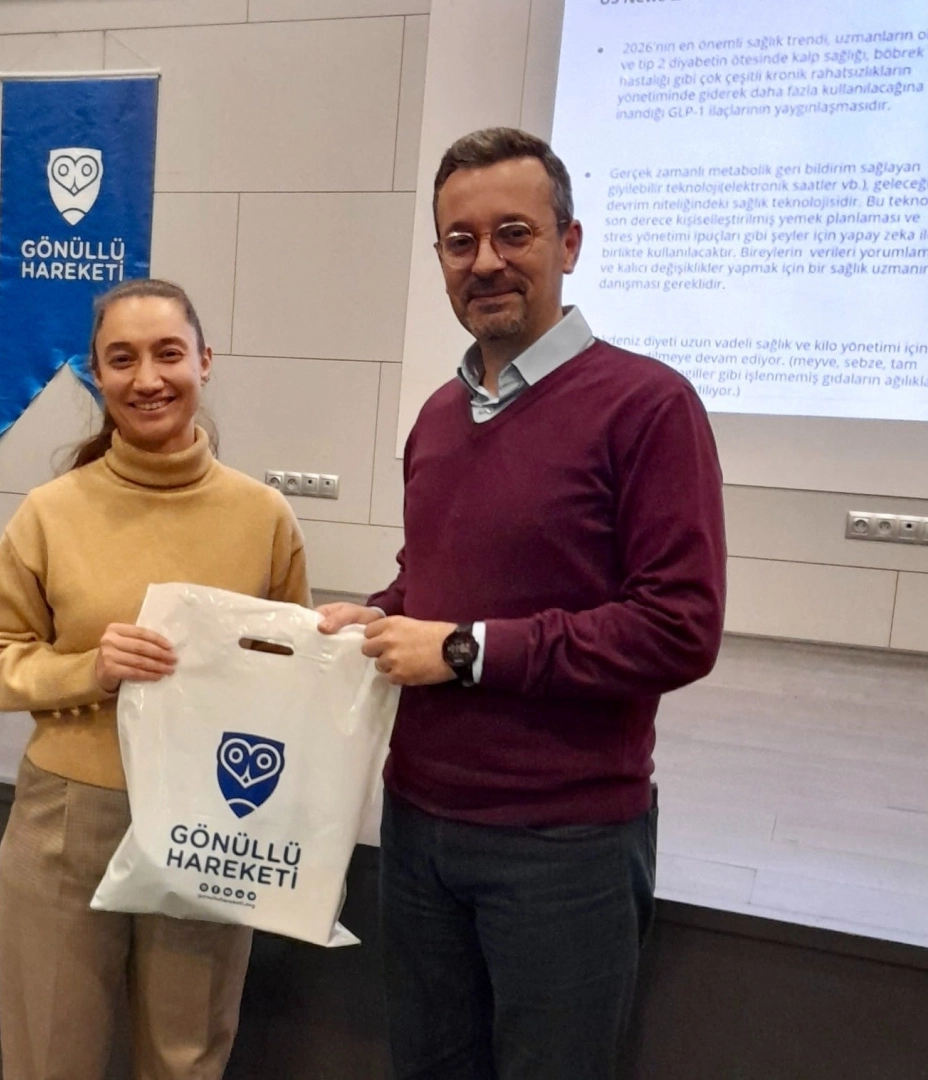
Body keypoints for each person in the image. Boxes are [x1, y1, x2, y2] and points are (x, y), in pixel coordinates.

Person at [317, 127, 726, 1079]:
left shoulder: (649, 406)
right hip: (418, 826)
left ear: (568, 243)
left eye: (514, 233)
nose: (486, 261)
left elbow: (679, 628)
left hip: (564, 847)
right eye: (460, 241)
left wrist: (467, 650)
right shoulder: (437, 414)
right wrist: (379, 612)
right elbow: (434, 578)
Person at [0, 278, 310, 1080]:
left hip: (211, 815)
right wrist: (90, 669)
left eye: (167, 353)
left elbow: (293, 684)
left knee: (185, 1061)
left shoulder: (263, 517)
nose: (147, 378)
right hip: (66, 822)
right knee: (50, 1061)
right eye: (122, 359)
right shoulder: (51, 512)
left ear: (204, 361)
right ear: (97, 374)